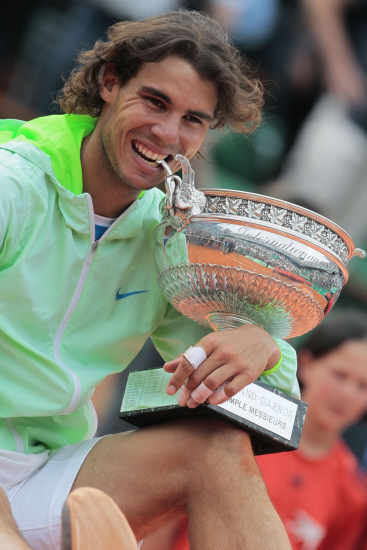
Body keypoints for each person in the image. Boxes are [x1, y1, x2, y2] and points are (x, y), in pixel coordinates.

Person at [0, 10, 299, 550]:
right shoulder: (12, 185)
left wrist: (263, 347)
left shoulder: (170, 237)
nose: (168, 133)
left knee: (216, 449)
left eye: (194, 119)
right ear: (110, 82)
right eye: (155, 102)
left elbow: (273, 411)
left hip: (49, 471)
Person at [164, 307, 367, 550]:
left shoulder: (353, 495)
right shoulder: (234, 433)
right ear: (307, 363)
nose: (347, 393)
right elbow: (162, 514)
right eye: (340, 375)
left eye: (363, 386)